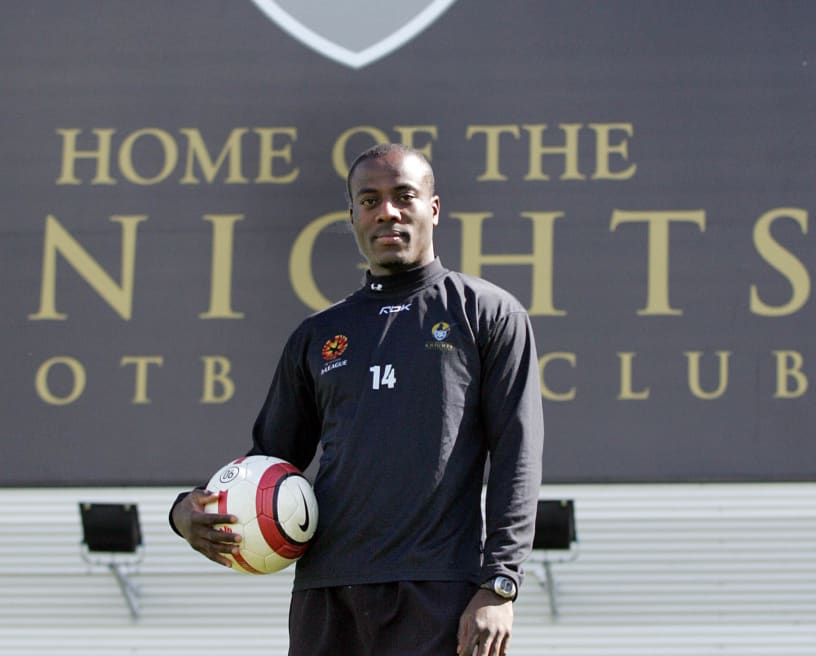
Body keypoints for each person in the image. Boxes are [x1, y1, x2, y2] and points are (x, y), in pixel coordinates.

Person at [170, 143, 544, 656]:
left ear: (433, 208)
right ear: (353, 216)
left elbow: (516, 458)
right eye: (369, 200)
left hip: (438, 590)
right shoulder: (318, 335)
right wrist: (185, 512)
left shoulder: (488, 314)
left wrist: (500, 583)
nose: (386, 210)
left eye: (403, 196)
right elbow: (269, 462)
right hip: (327, 593)